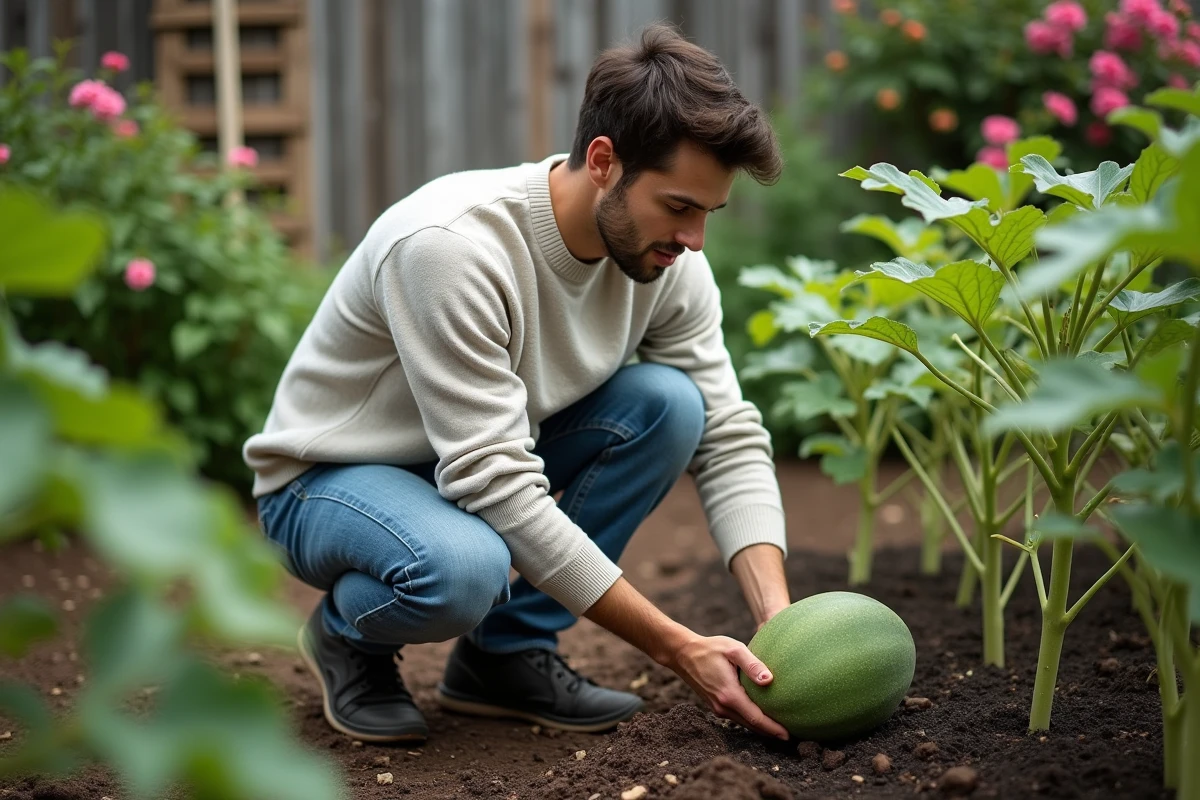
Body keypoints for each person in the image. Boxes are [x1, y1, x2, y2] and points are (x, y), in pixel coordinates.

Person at [244, 22, 792, 746]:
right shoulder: (451, 247)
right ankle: (349, 636)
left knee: (671, 406)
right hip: (327, 480)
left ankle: (503, 658)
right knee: (464, 568)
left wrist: (780, 625)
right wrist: (674, 645)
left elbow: (727, 435)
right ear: (604, 160)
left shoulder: (670, 267)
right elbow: (496, 483)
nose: (695, 241)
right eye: (680, 206)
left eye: (708, 213)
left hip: (459, 466)